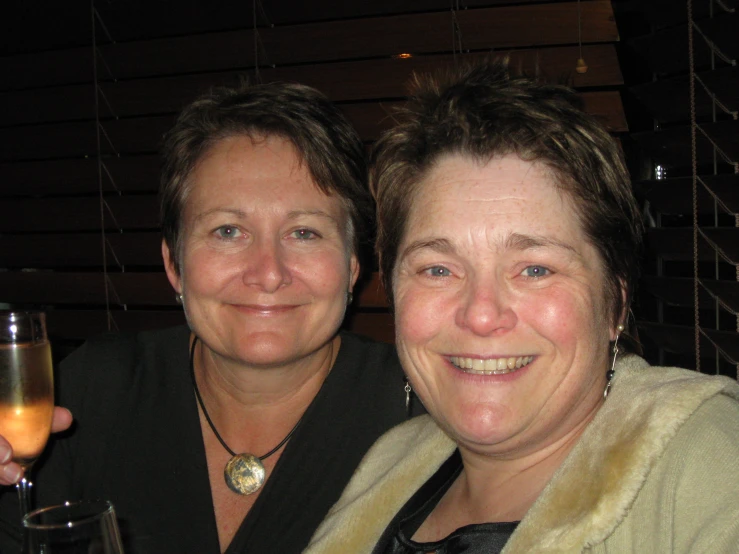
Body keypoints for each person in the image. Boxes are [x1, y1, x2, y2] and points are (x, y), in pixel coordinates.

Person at [306, 61, 739, 553]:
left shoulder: (708, 464)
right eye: (438, 269)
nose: (481, 314)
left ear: (615, 303)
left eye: (535, 269)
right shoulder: (389, 461)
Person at [0, 81, 421, 553]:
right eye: (227, 230)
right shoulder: (88, 394)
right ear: (173, 264)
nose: (268, 273)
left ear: (352, 265)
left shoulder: (425, 416)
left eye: (304, 232)